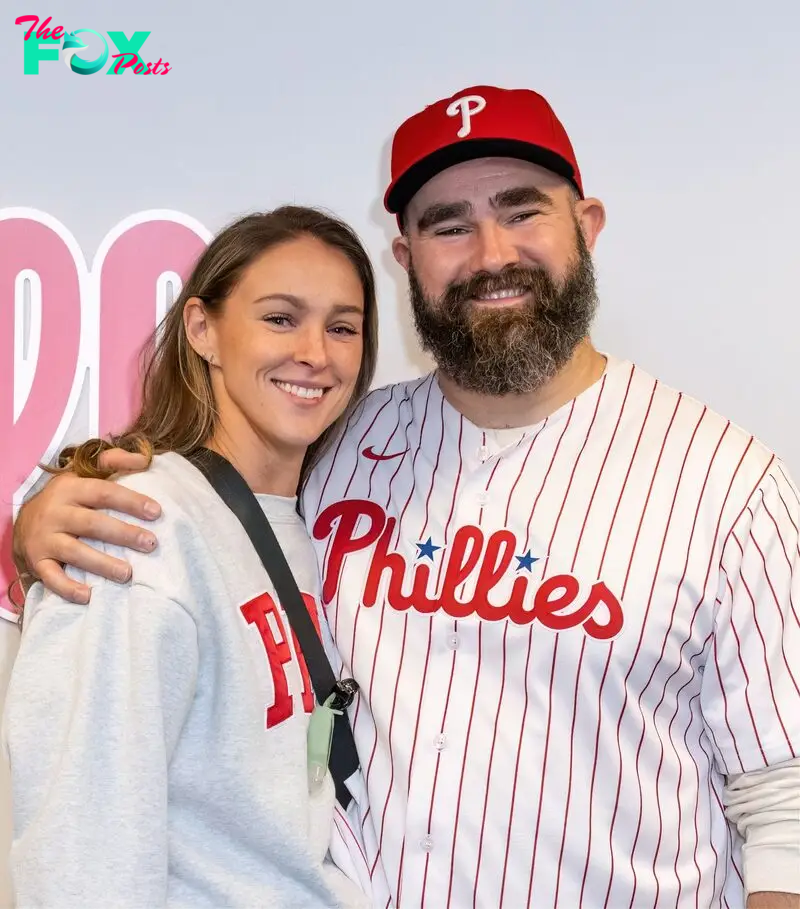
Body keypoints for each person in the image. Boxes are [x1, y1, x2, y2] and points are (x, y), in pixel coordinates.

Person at [11, 86, 800, 909]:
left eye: (523, 211)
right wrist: (40, 518)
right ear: (407, 256)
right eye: (449, 224)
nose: (491, 252)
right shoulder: (333, 452)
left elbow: (787, 808)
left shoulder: (727, 485)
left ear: (587, 225)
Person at [3, 205, 381, 907]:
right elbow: (83, 848)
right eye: (279, 317)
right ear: (203, 329)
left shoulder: (303, 525)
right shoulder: (137, 523)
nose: (315, 352)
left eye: (341, 326)